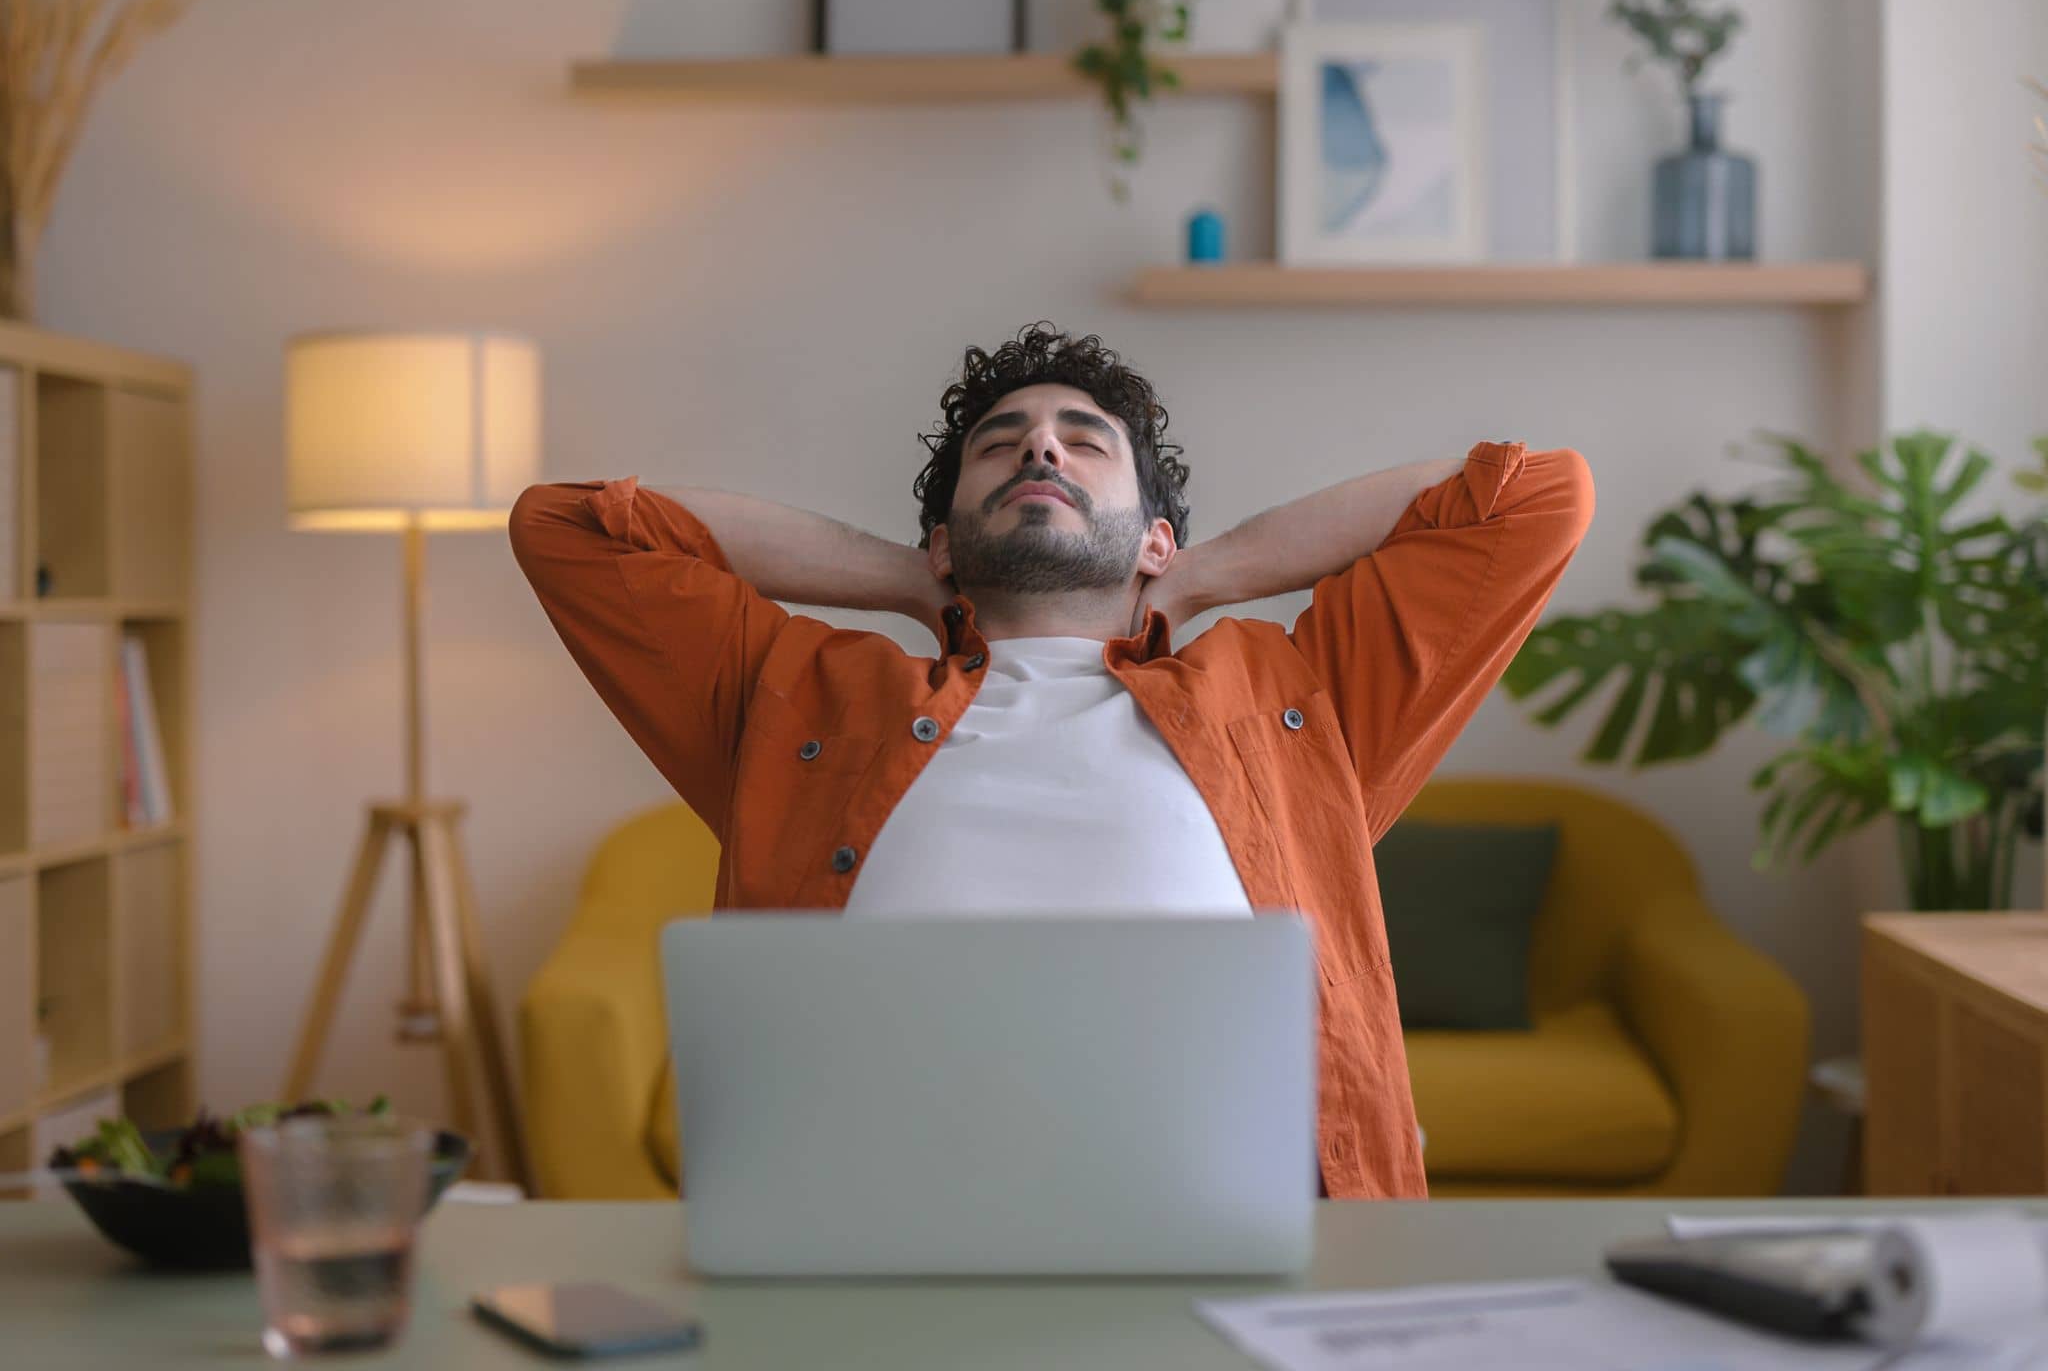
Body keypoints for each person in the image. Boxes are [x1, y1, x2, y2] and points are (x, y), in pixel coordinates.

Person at [510, 321, 1595, 1199]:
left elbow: (1532, 497)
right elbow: (568, 527)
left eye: (1084, 440)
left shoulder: (1287, 698)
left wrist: (1205, 574)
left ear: (1153, 535)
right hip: (877, 1223)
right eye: (1002, 442)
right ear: (943, 539)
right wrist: (903, 579)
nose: (1040, 448)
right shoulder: (806, 698)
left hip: (1242, 1227)